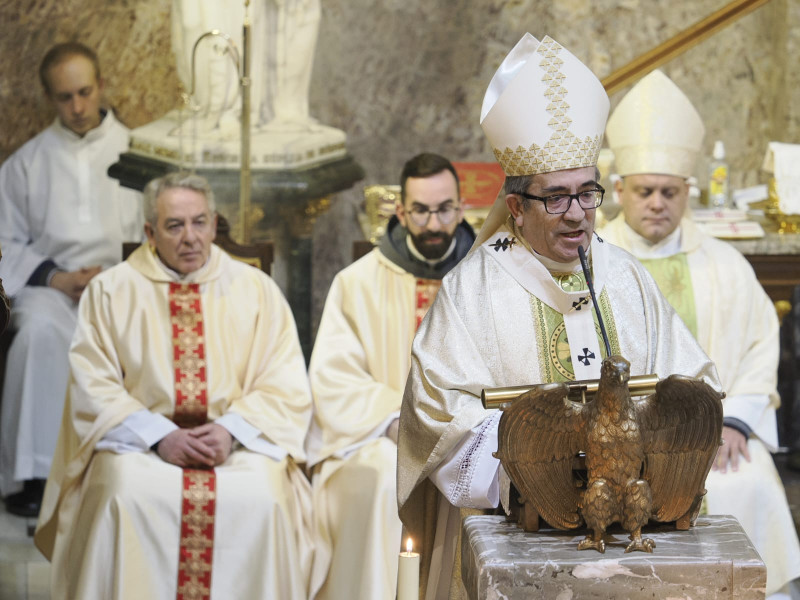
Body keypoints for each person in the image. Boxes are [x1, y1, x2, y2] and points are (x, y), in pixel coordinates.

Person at [397, 34, 721, 600]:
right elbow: (435, 413)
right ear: (517, 207)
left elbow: (694, 381)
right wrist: (530, 471)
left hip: (631, 526)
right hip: (512, 525)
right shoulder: (470, 290)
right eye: (556, 198)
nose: (577, 215)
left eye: (587, 193)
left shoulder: (625, 276)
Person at [34, 172, 312, 599]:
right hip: (139, 444)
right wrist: (160, 436)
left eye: (200, 222)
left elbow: (284, 381)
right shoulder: (110, 291)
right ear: (149, 231)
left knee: (266, 496)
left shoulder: (257, 290)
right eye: (174, 225)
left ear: (215, 222)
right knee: (124, 494)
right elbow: (94, 385)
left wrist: (229, 431)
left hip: (236, 444)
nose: (190, 238)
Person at [598, 69, 800, 598]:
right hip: (616, 443)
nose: (657, 203)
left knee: (750, 482)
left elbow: (761, 346)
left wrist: (734, 423)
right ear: (619, 189)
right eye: (645, 191)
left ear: (688, 191)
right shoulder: (591, 261)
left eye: (669, 191)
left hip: (711, 440)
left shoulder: (725, 264)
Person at [305, 153, 475, 599]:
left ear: (461, 209)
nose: (433, 222)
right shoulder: (356, 283)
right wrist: (396, 422)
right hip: (380, 440)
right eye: (420, 210)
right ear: (401, 213)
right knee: (387, 477)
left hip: (467, 439)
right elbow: (333, 380)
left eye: (444, 209)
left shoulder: (486, 280)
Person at [0, 42, 143, 516]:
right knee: (36, 331)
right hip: (53, 291)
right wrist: (57, 278)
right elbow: (7, 242)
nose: (78, 107)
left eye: (85, 92)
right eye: (65, 97)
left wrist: (118, 275)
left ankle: (129, 461)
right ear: (50, 98)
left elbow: (159, 230)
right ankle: (38, 476)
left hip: (125, 287)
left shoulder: (139, 155)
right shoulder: (26, 164)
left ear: (101, 86)